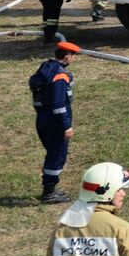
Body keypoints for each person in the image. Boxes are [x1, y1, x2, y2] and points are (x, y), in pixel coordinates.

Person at [31, 41, 80, 202]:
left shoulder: (46, 67)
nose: (73, 59)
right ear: (67, 56)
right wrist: (66, 125)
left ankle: (49, 189)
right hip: (55, 121)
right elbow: (59, 104)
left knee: (52, 152)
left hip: (42, 118)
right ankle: (49, 191)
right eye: (73, 56)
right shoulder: (60, 75)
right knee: (57, 154)